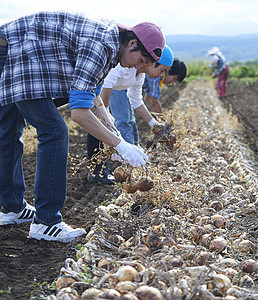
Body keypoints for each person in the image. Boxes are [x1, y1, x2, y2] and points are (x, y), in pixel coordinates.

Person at [0, 11, 165, 242]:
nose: (138, 67)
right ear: (132, 43)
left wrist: (119, 138)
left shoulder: (113, 47)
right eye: (141, 61)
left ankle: (12, 208)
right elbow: (79, 113)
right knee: (55, 132)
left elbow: (95, 99)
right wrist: (119, 144)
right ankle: (46, 223)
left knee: (8, 133)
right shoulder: (102, 45)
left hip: (14, 49)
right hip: (16, 49)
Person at [87, 45, 174, 184]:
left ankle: (102, 168)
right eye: (161, 70)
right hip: (93, 91)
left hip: (100, 94)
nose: (161, 75)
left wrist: (153, 123)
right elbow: (104, 87)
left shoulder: (139, 75)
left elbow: (136, 101)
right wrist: (106, 114)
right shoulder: (123, 67)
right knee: (97, 123)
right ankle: (96, 171)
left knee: (106, 126)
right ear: (152, 62)